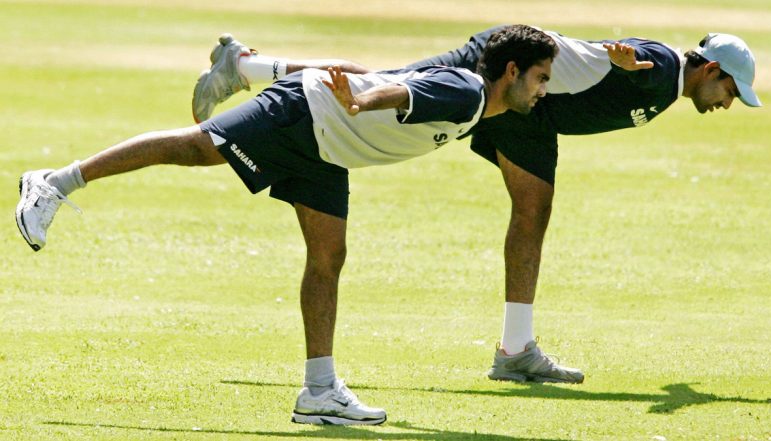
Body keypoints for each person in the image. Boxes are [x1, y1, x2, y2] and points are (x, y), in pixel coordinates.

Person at [14, 25, 558, 426]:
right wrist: (363, 100)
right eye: (539, 78)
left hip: (326, 148)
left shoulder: (469, 96)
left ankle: (319, 391)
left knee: (328, 258)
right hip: (304, 115)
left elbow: (382, 76)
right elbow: (397, 93)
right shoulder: (467, 93)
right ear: (511, 71)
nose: (542, 89)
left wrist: (290, 72)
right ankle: (54, 183)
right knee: (195, 147)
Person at [190, 28, 761, 385]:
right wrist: (628, 62)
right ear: (711, 70)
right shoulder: (662, 69)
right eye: (730, 92)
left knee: (533, 211)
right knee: (381, 85)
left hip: (534, 113)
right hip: (509, 76)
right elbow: (631, 57)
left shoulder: (667, 89)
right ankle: (243, 66)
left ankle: (516, 349)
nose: (727, 104)